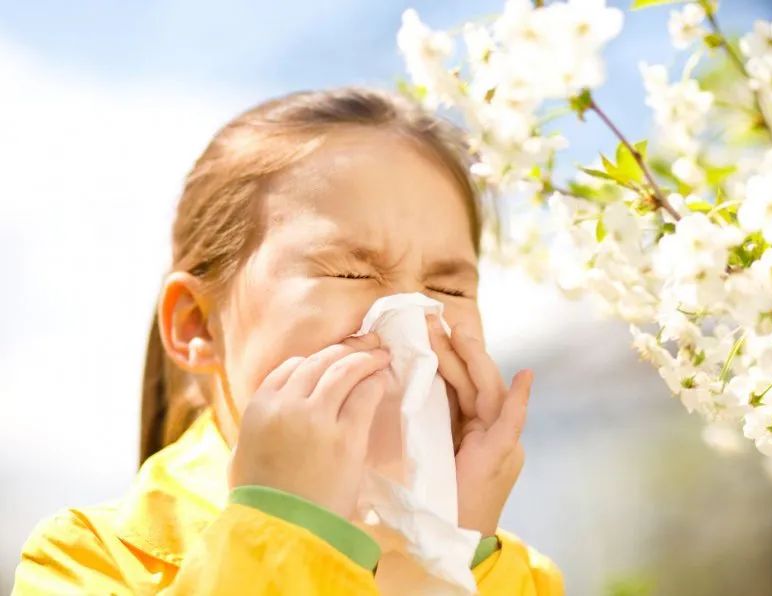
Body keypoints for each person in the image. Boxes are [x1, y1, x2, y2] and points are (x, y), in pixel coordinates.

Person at [13, 87, 564, 595]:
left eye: (447, 288)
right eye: (350, 273)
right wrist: (286, 528)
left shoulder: (524, 578)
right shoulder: (83, 560)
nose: (411, 323)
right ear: (197, 326)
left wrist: (454, 554)